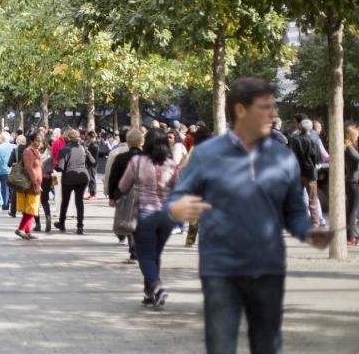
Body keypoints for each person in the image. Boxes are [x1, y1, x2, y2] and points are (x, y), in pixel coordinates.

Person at [168, 78, 332, 353]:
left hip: (267, 267)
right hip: (221, 268)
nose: (274, 115)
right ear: (242, 111)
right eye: (266, 107)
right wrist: (177, 208)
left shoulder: (283, 157)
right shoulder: (207, 154)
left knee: (268, 345)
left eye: (274, 107)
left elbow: (293, 211)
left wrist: (309, 230)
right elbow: (177, 197)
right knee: (221, 346)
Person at [117, 129, 180, 308]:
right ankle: (150, 293)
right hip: (167, 216)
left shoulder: (137, 162)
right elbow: (178, 188)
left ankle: (158, 288)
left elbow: (123, 185)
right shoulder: (171, 164)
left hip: (145, 213)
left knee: (145, 255)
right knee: (155, 254)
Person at [108, 128, 143, 263]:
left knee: (130, 222)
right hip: (146, 194)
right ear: (141, 141)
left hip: (125, 194)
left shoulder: (121, 158)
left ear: (127, 142)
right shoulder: (147, 156)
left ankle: (134, 253)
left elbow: (113, 178)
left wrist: (112, 196)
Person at [55, 129, 94, 234]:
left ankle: (62, 223)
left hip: (69, 177)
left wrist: (55, 167)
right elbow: (93, 161)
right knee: (79, 201)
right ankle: (80, 226)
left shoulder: (64, 149)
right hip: (83, 177)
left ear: (68, 138)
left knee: (65, 201)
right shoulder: (83, 148)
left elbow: (60, 167)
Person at [289, 119, 323, 227]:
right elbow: (317, 160)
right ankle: (315, 223)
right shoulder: (313, 141)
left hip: (297, 173)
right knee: (313, 200)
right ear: (311, 129)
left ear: (300, 128)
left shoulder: (294, 140)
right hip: (310, 173)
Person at [14, 132, 43, 240]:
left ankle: (28, 231)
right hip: (31, 184)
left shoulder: (35, 151)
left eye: (41, 140)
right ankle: (21, 229)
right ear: (32, 141)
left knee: (32, 208)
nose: (40, 143)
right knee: (32, 208)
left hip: (34, 183)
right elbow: (28, 168)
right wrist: (35, 183)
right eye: (38, 140)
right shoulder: (28, 152)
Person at [345, 124, 359, 247]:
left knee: (353, 210)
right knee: (353, 211)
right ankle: (351, 237)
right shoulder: (349, 148)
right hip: (353, 182)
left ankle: (353, 234)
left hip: (354, 181)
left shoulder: (352, 147)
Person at [0, 131, 15, 211]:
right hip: (13, 171)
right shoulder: (14, 146)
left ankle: (5, 206)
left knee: (4, 189)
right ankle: (14, 207)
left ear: (2, 139)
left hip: (3, 172)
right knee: (13, 190)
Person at [84, 131, 100, 200]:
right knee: (90, 179)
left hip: (92, 165)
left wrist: (86, 151)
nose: (87, 138)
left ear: (91, 137)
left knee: (92, 179)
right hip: (90, 164)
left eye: (88, 136)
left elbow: (92, 157)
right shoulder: (92, 144)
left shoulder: (95, 146)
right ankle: (91, 193)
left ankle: (93, 194)